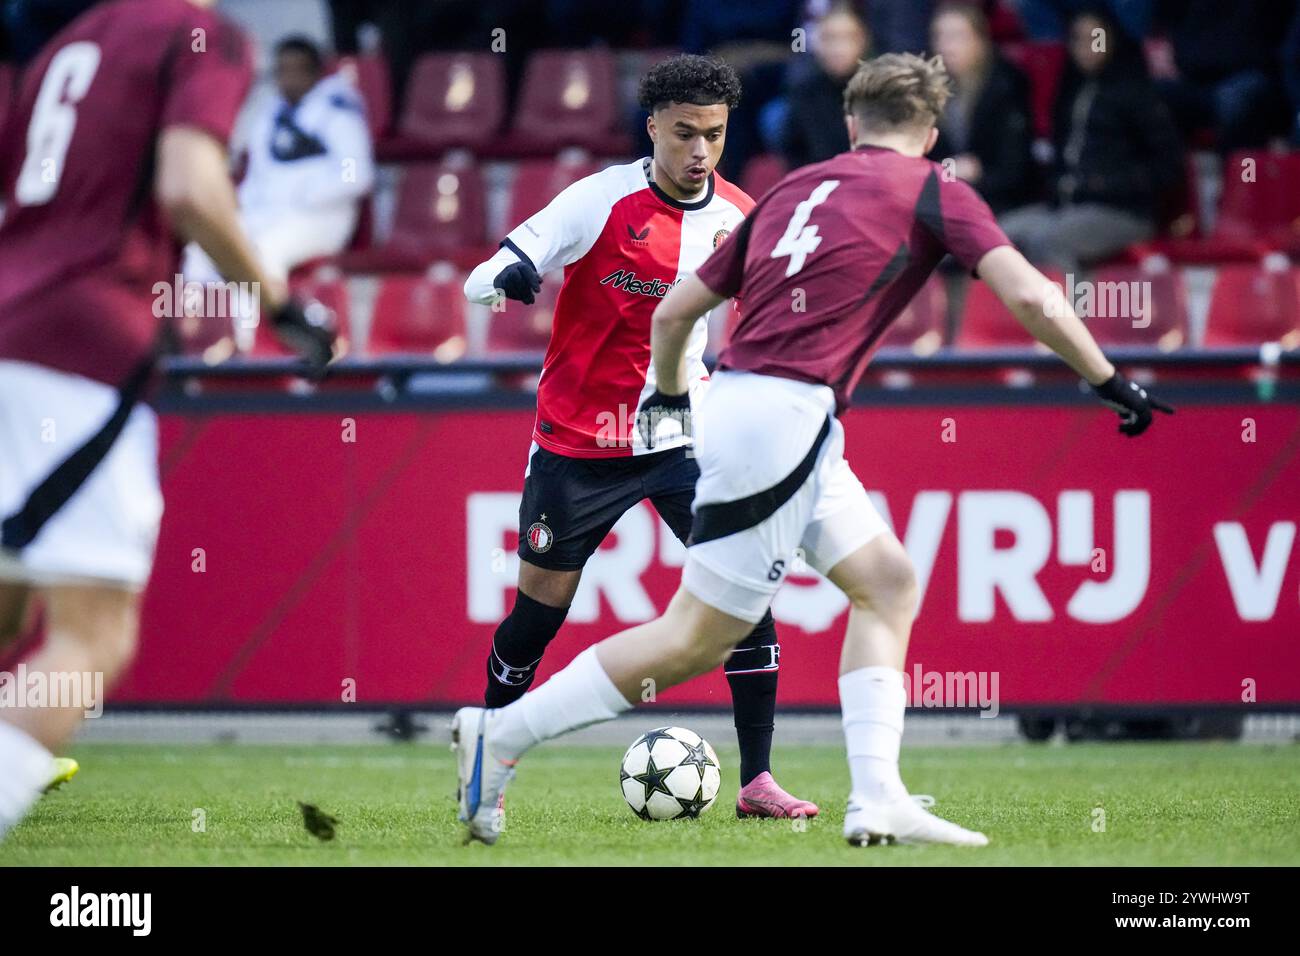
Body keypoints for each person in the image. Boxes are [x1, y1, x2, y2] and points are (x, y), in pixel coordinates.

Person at [452, 52, 1172, 847]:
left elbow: (674, 314)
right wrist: (1108, 380)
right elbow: (1034, 295)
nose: (701, 149)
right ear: (931, 132)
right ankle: (503, 734)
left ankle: (876, 797)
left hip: (747, 413)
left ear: (852, 124)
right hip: (770, 412)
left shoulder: (793, 189)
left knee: (887, 581)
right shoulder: (935, 189)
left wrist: (661, 395)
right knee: (698, 635)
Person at [0, 0, 334, 841]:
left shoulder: (63, 45)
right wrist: (283, 306)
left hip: (10, 323)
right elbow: (190, 187)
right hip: (81, 345)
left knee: (7, 606)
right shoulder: (203, 36)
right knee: (93, 634)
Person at [462, 54, 817, 825]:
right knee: (537, 617)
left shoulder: (738, 217)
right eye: (684, 133)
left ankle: (757, 781)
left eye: (714, 136)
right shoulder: (599, 200)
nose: (699, 152)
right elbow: (487, 271)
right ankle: (486, 753)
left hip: (682, 434)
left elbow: (774, 316)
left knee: (745, 589)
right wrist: (505, 280)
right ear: (652, 126)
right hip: (578, 441)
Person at [184, 34, 374, 352]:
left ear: (314, 72)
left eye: (297, 70)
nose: (288, 79)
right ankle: (202, 339)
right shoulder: (268, 115)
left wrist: (300, 193)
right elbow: (255, 176)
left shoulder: (337, 110)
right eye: (282, 70)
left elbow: (357, 176)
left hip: (322, 217)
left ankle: (246, 345)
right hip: (267, 213)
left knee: (258, 252)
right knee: (203, 247)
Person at [997, 6, 1183, 272]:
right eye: (1078, 38)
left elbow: (1168, 167)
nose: (1086, 46)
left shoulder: (1137, 94)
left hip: (1123, 212)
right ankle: (1001, 313)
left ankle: (1070, 312)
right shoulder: (1070, 90)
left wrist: (1109, 183)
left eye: (1095, 37)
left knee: (1049, 241)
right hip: (1067, 206)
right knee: (996, 236)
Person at [928, 2, 1036, 214]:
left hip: (1003, 202)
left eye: (957, 36)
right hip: (949, 201)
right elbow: (930, 165)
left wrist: (962, 172)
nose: (945, 46)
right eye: (939, 36)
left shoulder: (1006, 85)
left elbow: (1013, 172)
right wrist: (953, 170)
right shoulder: (931, 90)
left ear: (980, 40)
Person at [774, 3, 872, 169]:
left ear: (863, 41)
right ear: (816, 43)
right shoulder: (804, 92)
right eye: (829, 38)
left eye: (847, 38)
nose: (838, 49)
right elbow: (794, 155)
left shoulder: (878, 91)